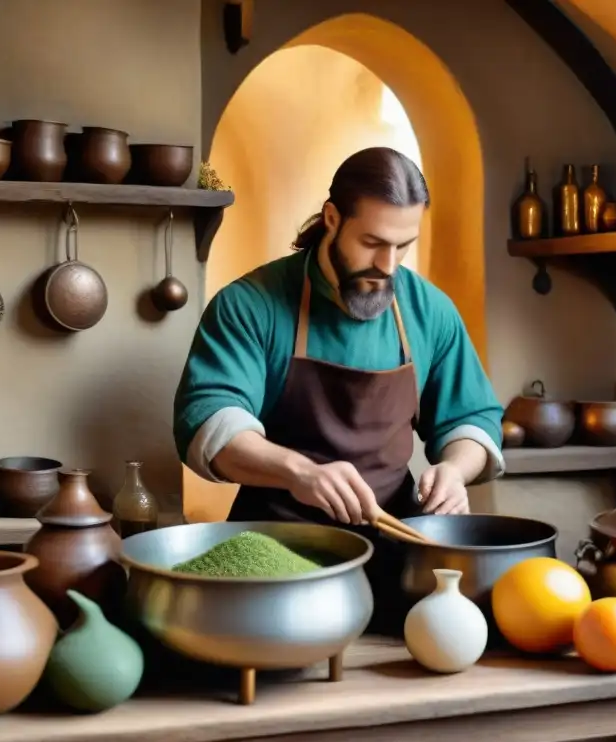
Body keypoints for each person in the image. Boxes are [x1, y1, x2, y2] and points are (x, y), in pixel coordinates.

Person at [174, 145, 503, 598]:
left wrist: (454, 470)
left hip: (396, 552)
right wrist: (298, 471)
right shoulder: (249, 305)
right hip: (276, 552)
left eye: (402, 246)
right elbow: (211, 421)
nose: (388, 266)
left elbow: (471, 417)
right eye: (372, 243)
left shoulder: (430, 310)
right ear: (332, 218)